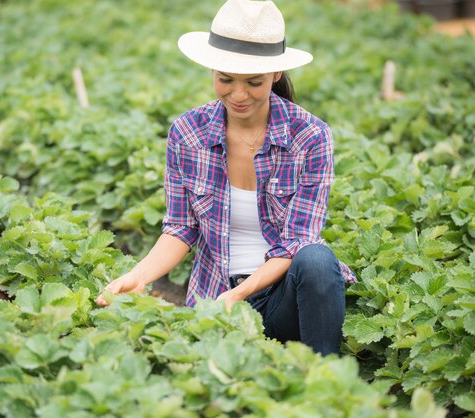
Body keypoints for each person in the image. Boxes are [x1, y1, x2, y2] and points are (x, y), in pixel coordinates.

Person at [96, 0, 356, 356]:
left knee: (316, 259)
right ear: (212, 70)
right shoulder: (188, 133)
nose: (238, 94)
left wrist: (242, 292)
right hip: (216, 298)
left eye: (253, 82)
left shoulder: (309, 136)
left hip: (282, 298)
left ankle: (326, 379)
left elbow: (297, 241)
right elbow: (180, 227)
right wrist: (139, 276)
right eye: (225, 79)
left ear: (276, 74)